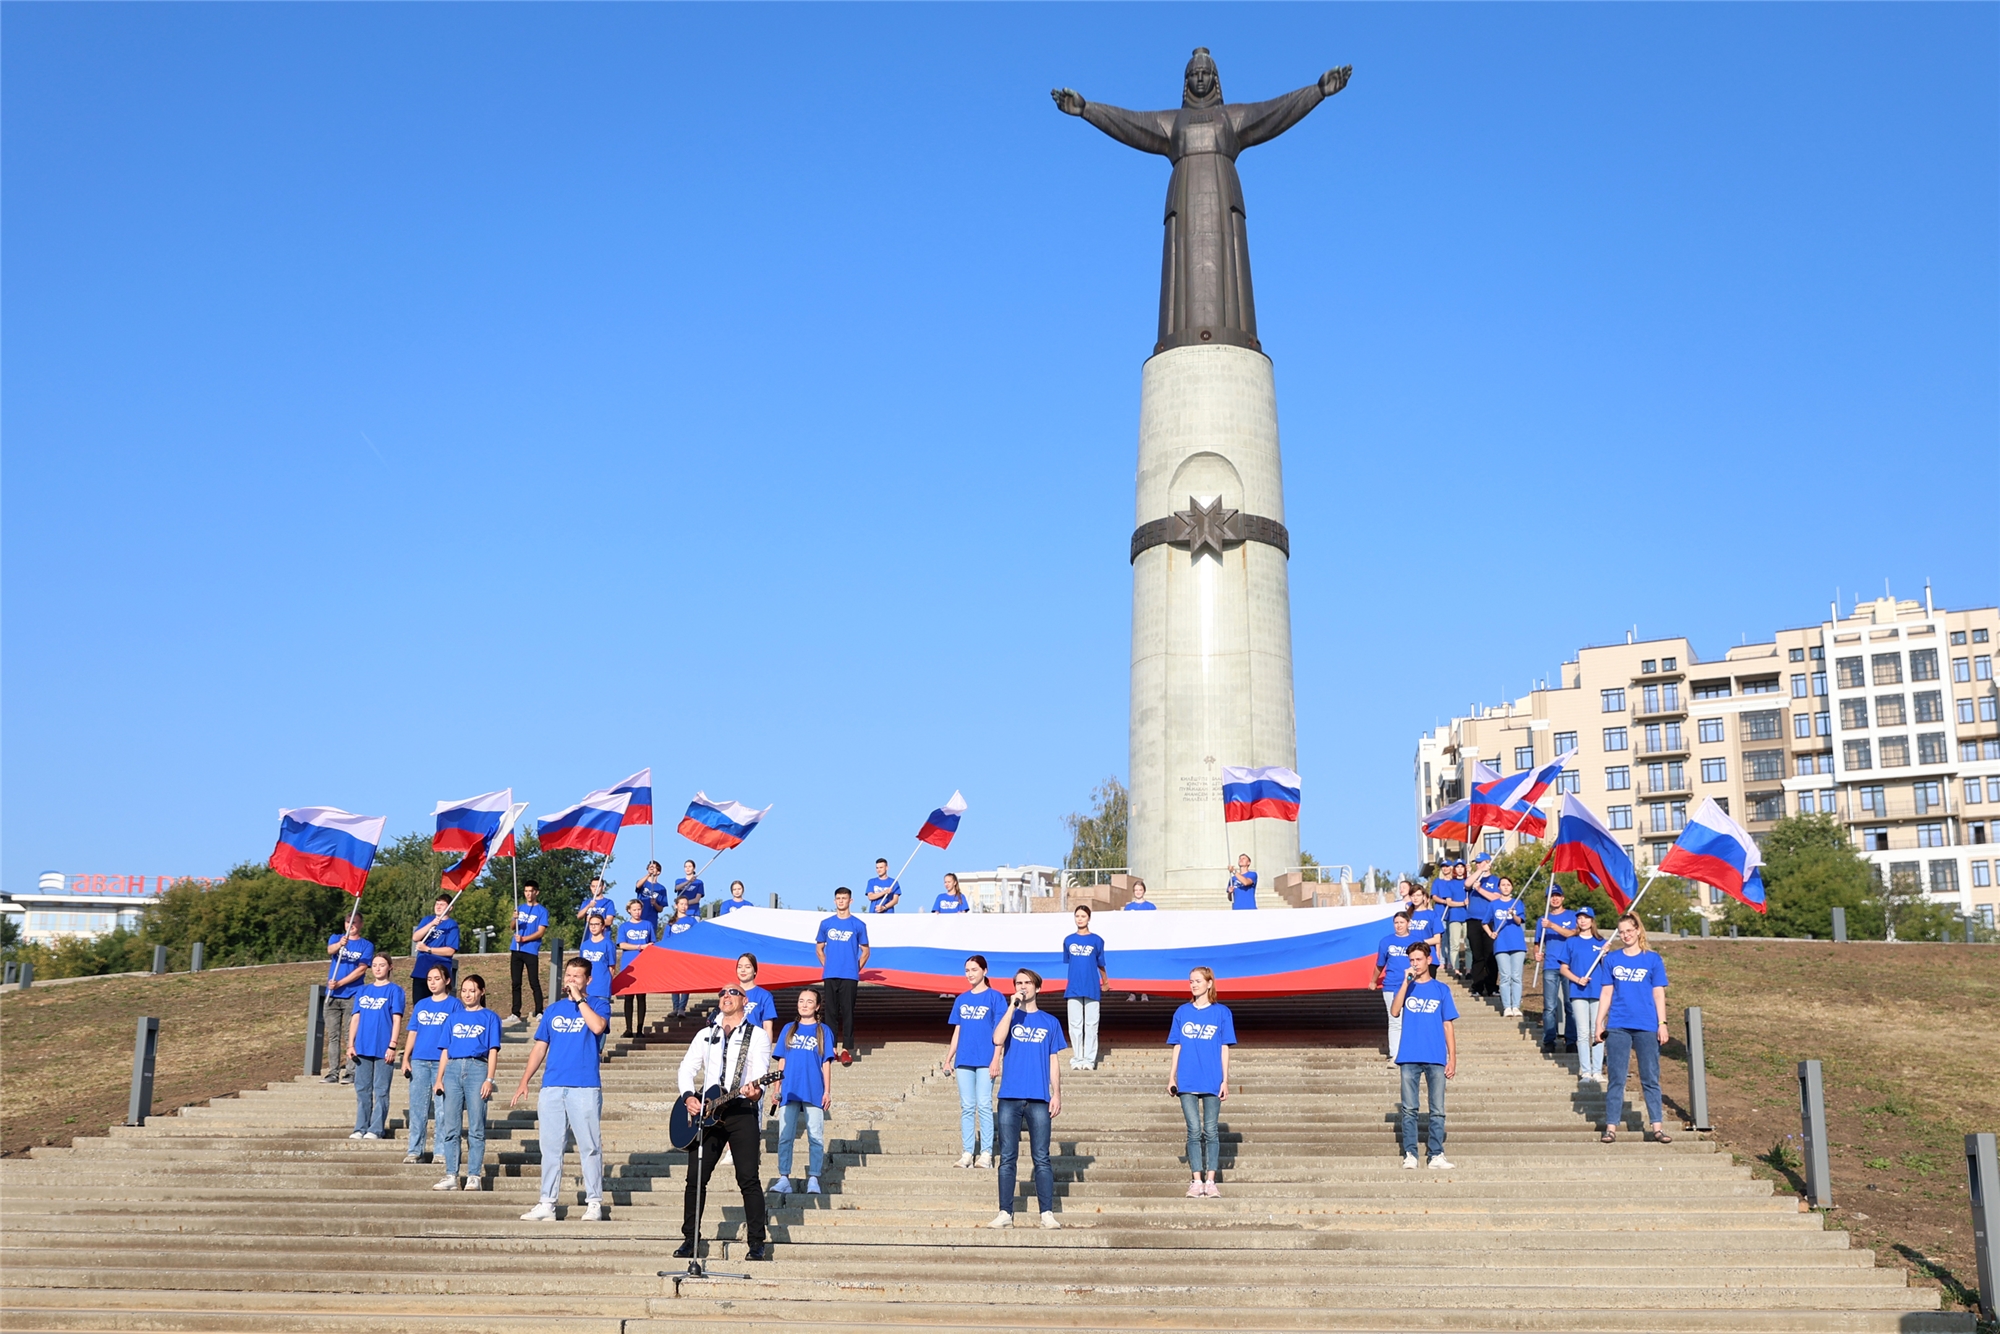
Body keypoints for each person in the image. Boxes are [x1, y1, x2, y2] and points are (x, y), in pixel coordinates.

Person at [674, 984, 774, 1262]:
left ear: (745, 1000)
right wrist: (687, 1097)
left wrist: (758, 1091)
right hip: (707, 1111)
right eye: (722, 994)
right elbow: (687, 1068)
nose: (725, 997)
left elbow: (760, 1074)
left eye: (732, 993)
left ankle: (756, 1242)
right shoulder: (707, 1033)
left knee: (748, 1178)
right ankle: (690, 1240)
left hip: (740, 1109)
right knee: (695, 1177)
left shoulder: (757, 1036)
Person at [512, 957, 608, 1221]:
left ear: (588, 980)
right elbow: (540, 1046)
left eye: (577, 976)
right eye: (568, 975)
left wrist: (580, 999)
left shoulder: (598, 1004)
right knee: (551, 1147)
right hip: (552, 1086)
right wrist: (525, 1080)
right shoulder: (553, 1010)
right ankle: (547, 1203)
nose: (571, 980)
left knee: (589, 1146)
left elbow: (598, 1027)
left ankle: (594, 1202)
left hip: (584, 1086)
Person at [987, 969, 1066, 1230]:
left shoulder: (1050, 1022)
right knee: (1007, 1157)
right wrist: (1011, 1008)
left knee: (1041, 1157)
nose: (1023, 987)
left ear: (1038, 988)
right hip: (1010, 1096)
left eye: (1027, 983)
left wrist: (1057, 1093)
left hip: (1039, 1098)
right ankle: (1004, 1212)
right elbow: (997, 1039)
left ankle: (1047, 1212)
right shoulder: (1010, 1016)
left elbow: (1054, 1060)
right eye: (1018, 983)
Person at [1593, 913, 1672, 1144]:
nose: (1626, 935)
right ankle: (1611, 1128)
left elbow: (1659, 993)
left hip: (1647, 1026)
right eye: (1622, 931)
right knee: (1616, 1078)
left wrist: (1662, 1024)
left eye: (1630, 930)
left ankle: (1657, 1127)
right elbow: (1606, 992)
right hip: (1618, 1025)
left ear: (1638, 930)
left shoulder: (1653, 959)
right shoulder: (1612, 959)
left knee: (1650, 1077)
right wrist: (1599, 1023)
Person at [1168, 966, 1235, 1198]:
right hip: (1187, 1080)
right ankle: (1196, 1180)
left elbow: (1224, 1047)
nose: (1193, 985)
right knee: (1193, 1130)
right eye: (1190, 981)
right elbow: (1177, 1045)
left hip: (1212, 1079)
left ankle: (1211, 1181)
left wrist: (1225, 1080)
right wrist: (1171, 1076)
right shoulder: (1182, 1012)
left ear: (1209, 983)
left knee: (1211, 1130)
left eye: (1197, 981)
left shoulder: (1222, 1013)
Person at [1390, 941, 1457, 1170]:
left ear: (1429, 960)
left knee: (1437, 1109)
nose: (1415, 964)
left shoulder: (1441, 989)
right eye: (1411, 960)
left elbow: (1448, 1025)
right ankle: (1411, 1153)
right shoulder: (1407, 987)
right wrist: (1404, 983)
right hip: (1409, 1055)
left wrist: (1453, 1057)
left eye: (1418, 959)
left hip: (1435, 1056)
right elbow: (1395, 1011)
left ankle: (1436, 1154)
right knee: (1410, 1109)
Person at [434, 973, 501, 1191]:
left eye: (472, 990)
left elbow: (492, 1051)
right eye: (464, 990)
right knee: (451, 1126)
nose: (468, 994)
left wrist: (489, 1079)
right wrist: (439, 1079)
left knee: (476, 1126)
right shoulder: (453, 1018)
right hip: (453, 1070)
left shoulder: (490, 1017)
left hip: (477, 1069)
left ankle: (474, 1175)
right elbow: (445, 1050)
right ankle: (451, 1174)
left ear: (481, 992)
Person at [770, 987, 834, 1196]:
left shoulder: (823, 1030)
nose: (804, 1004)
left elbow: (826, 1063)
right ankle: (783, 1177)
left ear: (817, 1006)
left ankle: (814, 1178)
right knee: (785, 1136)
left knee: (815, 1135)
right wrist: (776, 1087)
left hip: (813, 1088)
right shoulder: (789, 1028)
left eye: (809, 1001)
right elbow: (782, 1060)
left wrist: (827, 1091)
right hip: (789, 1089)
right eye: (801, 1001)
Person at [945, 955, 1000, 1168]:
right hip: (964, 1059)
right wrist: (949, 1058)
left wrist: (996, 1058)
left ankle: (986, 1153)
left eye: (974, 969)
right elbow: (957, 1030)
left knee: (984, 1105)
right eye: (967, 970)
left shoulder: (995, 998)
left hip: (986, 1059)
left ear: (984, 971)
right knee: (967, 1106)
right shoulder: (961, 999)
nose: (970, 974)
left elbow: (999, 1032)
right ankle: (967, 1152)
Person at [401, 963, 458, 1164]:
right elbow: (413, 1032)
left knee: (443, 1109)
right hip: (419, 1061)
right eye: (429, 979)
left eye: (437, 979)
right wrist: (406, 1057)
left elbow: (455, 1035)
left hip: (442, 1062)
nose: (432, 983)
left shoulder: (454, 1005)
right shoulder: (421, 1005)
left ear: (447, 980)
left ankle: (441, 1151)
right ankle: (415, 1150)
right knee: (418, 1107)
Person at [346, 954, 405, 1141]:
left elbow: (397, 1020)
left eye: (382, 965)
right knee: (362, 1089)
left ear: (390, 967)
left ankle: (376, 1128)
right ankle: (360, 1127)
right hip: (362, 1048)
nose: (378, 968)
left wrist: (392, 1045)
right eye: (374, 965)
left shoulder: (395, 991)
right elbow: (355, 1018)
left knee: (381, 1090)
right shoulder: (363, 991)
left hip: (383, 1048)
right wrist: (350, 1044)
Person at [815, 888, 869, 1065]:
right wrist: (827, 964)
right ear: (834, 901)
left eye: (844, 898)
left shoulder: (858, 925)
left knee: (848, 1012)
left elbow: (866, 951)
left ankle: (847, 1049)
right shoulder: (826, 923)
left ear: (850, 901)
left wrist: (855, 968)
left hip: (849, 976)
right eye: (838, 898)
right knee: (830, 1012)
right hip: (830, 974)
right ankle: (831, 1048)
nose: (841, 901)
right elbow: (819, 948)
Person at [322, 916, 374, 1082]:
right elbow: (330, 950)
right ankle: (333, 1072)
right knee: (333, 1036)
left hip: (352, 994)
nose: (350, 925)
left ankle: (351, 1071)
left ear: (361, 924)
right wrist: (340, 945)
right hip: (332, 996)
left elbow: (362, 969)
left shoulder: (366, 945)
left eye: (354, 922)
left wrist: (341, 983)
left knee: (350, 1035)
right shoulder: (337, 938)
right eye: (347, 922)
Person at [1559, 907, 1606, 1087]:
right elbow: (1564, 968)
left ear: (1592, 921)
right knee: (1583, 1032)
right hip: (1578, 992)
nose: (1583, 920)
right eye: (1580, 918)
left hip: (1598, 991)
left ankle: (1598, 1070)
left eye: (1586, 918)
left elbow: (1607, 967)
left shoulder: (1601, 942)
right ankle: (1585, 1071)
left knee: (1598, 1032)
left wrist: (1606, 954)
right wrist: (1577, 979)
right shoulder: (1571, 942)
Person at [1062, 906, 1109, 1071]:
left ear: (1089, 918)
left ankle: (1089, 1059)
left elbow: (1100, 963)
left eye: (1083, 916)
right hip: (1074, 987)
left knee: (1091, 1025)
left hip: (1092, 987)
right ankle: (1077, 1058)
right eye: (1077, 916)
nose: (1080, 919)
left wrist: (1105, 981)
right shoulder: (1068, 940)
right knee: (1075, 1025)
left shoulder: (1097, 940)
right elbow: (1069, 961)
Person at [1534, 885, 1579, 1052]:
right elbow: (1538, 943)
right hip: (1550, 966)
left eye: (1558, 895)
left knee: (1570, 1005)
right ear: (1547, 900)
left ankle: (1571, 1041)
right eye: (1552, 896)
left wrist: (1552, 926)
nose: (1555, 898)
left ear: (1563, 898)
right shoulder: (1542, 920)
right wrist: (1537, 954)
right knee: (1549, 1006)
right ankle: (1549, 1040)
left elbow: (1572, 933)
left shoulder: (1572, 915)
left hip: (1569, 966)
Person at [1373, 910, 1415, 1063]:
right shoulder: (1386, 941)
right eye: (1396, 923)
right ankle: (1395, 1054)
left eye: (1402, 922)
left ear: (1408, 923)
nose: (1399, 925)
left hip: (1412, 986)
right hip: (1391, 985)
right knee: (1394, 1020)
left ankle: (1410, 1052)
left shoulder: (1416, 941)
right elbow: (1380, 964)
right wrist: (1373, 980)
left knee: (1410, 1020)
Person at [507, 882, 548, 1027]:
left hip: (530, 950)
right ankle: (515, 1013)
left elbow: (540, 932)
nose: (528, 894)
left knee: (533, 981)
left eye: (531, 891)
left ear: (536, 892)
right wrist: (514, 918)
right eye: (526, 891)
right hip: (516, 949)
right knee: (516, 982)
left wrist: (524, 939)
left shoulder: (542, 911)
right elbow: (512, 927)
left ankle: (539, 1011)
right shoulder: (520, 908)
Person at [1487, 876, 1529, 1016]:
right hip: (1501, 945)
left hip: (1517, 944)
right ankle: (1507, 1007)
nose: (1505, 887)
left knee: (1516, 976)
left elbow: (1519, 921)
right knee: (1505, 976)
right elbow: (1484, 922)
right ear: (1498, 887)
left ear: (1512, 887)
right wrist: (1491, 933)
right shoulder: (1493, 904)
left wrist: (1513, 914)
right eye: (1503, 885)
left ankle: (1516, 1006)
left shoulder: (1517, 903)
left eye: (1508, 884)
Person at [409, 897, 460, 1007]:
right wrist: (431, 924)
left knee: (439, 1006)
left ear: (450, 908)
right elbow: (415, 937)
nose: (438, 906)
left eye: (442, 904)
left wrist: (428, 949)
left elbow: (450, 950)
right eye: (437, 904)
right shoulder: (427, 920)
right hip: (421, 971)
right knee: (419, 1006)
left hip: (440, 971)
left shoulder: (452, 925)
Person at [616, 901, 655, 1038]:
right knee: (628, 997)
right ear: (629, 911)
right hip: (629, 964)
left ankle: (640, 1028)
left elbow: (652, 943)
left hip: (643, 964)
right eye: (634, 909)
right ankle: (628, 1028)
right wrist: (639, 946)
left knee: (641, 997)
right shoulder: (624, 926)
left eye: (639, 909)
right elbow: (622, 944)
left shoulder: (647, 925)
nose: (637, 912)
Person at [1465, 855, 1501, 996]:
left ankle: (1491, 986)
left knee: (1490, 954)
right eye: (1477, 863)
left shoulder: (1495, 880)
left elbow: (1495, 898)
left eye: (1481, 862)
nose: (1478, 865)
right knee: (1477, 954)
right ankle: (1477, 986)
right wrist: (1479, 872)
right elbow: (1467, 884)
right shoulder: (1474, 877)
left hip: (1490, 921)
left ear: (1488, 863)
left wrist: (1480, 890)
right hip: (1473, 920)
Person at [577, 912, 617, 1024]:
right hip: (586, 989)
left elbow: (612, 967)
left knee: (601, 1022)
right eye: (591, 924)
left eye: (596, 924)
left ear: (603, 926)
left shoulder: (608, 944)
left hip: (601, 989)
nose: (593, 927)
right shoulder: (585, 945)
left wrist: (607, 985)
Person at [663, 900, 698, 1017]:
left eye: (686, 904)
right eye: (681, 904)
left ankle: (682, 1008)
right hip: (674, 955)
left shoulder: (692, 920)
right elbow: (665, 940)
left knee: (685, 981)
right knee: (674, 981)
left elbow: (697, 936)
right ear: (676, 906)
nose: (684, 906)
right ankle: (675, 1007)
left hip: (687, 954)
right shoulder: (671, 922)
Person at [1433, 862, 1468, 977]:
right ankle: (1443, 961)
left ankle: (1451, 963)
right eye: (1443, 866)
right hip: (1443, 913)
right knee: (1445, 939)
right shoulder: (1438, 882)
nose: (1445, 868)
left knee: (1454, 939)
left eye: (1448, 866)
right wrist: (1446, 902)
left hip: (1454, 913)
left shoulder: (1457, 881)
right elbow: (1434, 896)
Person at [634, 861, 672, 933]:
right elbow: (638, 885)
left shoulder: (662, 888)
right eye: (650, 867)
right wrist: (648, 874)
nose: (652, 869)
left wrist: (655, 904)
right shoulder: (643, 883)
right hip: (639, 917)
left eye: (654, 868)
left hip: (652, 919)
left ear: (658, 872)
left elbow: (661, 909)